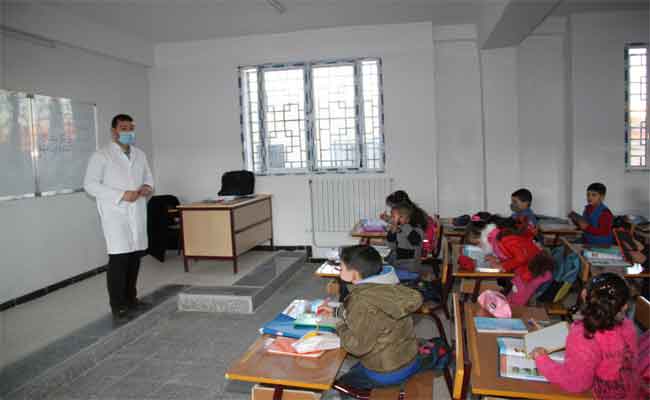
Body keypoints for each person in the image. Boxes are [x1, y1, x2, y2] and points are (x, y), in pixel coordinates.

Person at [319, 245, 422, 395]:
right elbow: (372, 316)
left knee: (339, 383)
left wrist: (337, 324)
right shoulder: (388, 286)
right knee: (354, 369)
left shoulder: (363, 301)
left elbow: (356, 346)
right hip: (407, 357)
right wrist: (336, 311)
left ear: (354, 274)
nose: (339, 270)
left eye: (341, 267)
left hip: (387, 371)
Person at [84, 114, 154, 320]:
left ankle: (132, 299)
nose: (128, 132)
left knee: (135, 256)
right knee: (119, 258)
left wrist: (147, 187)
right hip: (116, 213)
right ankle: (118, 304)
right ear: (114, 131)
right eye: (123, 128)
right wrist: (121, 195)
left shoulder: (140, 154)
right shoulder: (102, 155)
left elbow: (148, 176)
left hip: (137, 210)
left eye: (131, 128)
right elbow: (90, 185)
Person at [531, 273, 640, 400]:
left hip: (601, 395)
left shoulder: (584, 335)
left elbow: (576, 383)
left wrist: (542, 360)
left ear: (583, 295)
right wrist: (554, 333)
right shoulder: (627, 325)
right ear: (624, 306)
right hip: (630, 391)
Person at [480, 216, 553, 305]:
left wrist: (503, 266)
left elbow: (521, 258)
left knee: (517, 302)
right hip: (529, 270)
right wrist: (498, 260)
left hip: (534, 271)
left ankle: (510, 315)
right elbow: (513, 255)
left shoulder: (505, 239)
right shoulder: (502, 238)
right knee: (512, 298)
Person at [386, 203, 424, 274]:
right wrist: (392, 232)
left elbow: (416, 241)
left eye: (394, 217)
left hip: (409, 269)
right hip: (397, 264)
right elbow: (391, 246)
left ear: (407, 219)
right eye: (392, 217)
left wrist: (400, 226)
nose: (392, 219)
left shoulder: (417, 230)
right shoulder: (398, 229)